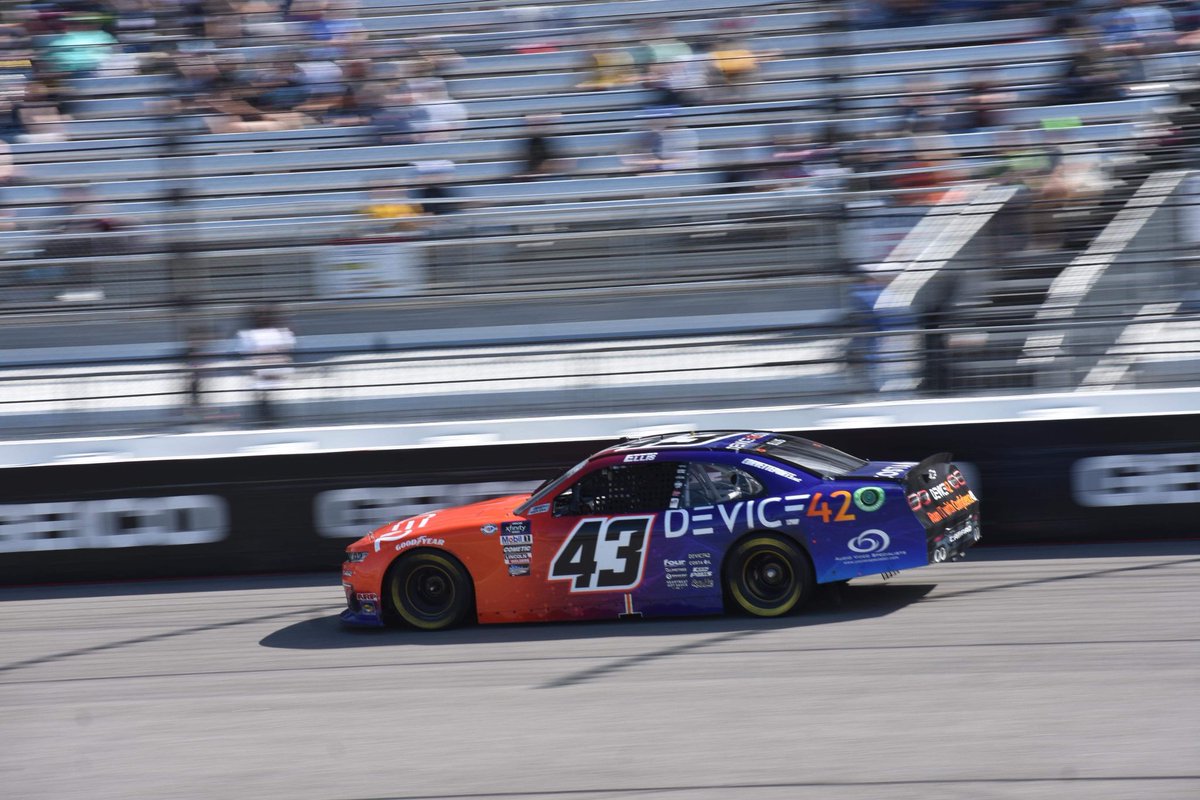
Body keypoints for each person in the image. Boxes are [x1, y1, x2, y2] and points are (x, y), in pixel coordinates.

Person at [237, 305, 296, 426]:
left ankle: (273, 422)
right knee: (263, 404)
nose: (263, 318)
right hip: (261, 378)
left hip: (277, 378)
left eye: (265, 315)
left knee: (276, 405)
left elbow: (287, 353)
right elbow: (247, 355)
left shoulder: (281, 332)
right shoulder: (249, 335)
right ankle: (266, 422)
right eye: (260, 315)